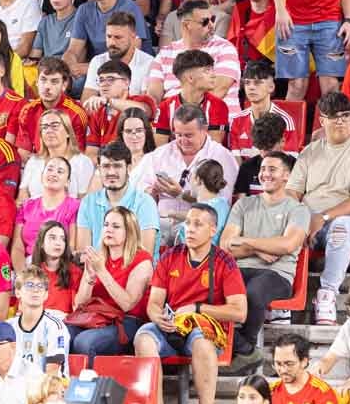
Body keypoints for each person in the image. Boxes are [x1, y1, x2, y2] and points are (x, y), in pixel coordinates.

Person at [134, 204, 247, 404]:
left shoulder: (224, 261)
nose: (190, 229)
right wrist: (159, 318)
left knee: (201, 341)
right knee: (143, 336)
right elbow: (154, 303)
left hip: (205, 327)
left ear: (213, 230)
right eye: (187, 223)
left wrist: (198, 308)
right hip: (172, 326)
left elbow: (239, 312)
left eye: (198, 224)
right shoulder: (170, 256)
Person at [286, 92, 350, 324]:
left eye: (346, 116)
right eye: (334, 117)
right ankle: (280, 294)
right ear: (322, 120)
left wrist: (323, 217)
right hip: (311, 219)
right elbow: (292, 192)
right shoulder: (309, 152)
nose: (340, 122)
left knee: (340, 227)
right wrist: (298, 217)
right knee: (281, 220)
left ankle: (327, 294)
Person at [220, 150, 309, 354]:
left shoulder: (298, 209)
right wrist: (259, 249)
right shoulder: (244, 204)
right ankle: (239, 348)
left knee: (252, 293)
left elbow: (287, 245)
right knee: (206, 286)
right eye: (262, 169)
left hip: (276, 274)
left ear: (287, 175)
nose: (265, 174)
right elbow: (225, 245)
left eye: (272, 169)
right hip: (238, 269)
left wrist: (245, 241)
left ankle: (246, 348)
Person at [131, 104, 237, 243]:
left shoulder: (222, 157)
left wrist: (181, 195)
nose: (182, 140)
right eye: (178, 134)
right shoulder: (160, 154)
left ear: (204, 129)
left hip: (199, 232)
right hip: (159, 225)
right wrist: (151, 192)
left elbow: (218, 205)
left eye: (189, 135)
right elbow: (135, 189)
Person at [66, 206, 151, 361]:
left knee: (85, 342)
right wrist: (90, 278)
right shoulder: (98, 257)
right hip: (95, 317)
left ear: (129, 232)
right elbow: (78, 305)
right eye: (106, 225)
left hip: (126, 321)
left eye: (116, 226)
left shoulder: (142, 260)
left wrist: (102, 272)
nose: (108, 230)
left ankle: (91, 384)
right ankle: (59, 383)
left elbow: (128, 304)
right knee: (61, 334)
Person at [64, 0, 151, 82]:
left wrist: (90, 68)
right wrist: (69, 65)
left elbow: (130, 55)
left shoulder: (130, 8)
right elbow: (73, 50)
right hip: (97, 69)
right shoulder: (84, 10)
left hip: (131, 72)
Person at [75, 142, 159, 256]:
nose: (111, 172)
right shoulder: (88, 202)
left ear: (128, 168)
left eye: (117, 166)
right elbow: (84, 252)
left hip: (134, 270)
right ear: (99, 169)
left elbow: (145, 255)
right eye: (106, 166)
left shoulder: (145, 202)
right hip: (95, 269)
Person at [18, 109, 94, 200]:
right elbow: (22, 196)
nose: (49, 131)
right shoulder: (34, 161)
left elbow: (84, 201)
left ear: (68, 132)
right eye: (44, 127)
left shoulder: (82, 162)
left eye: (55, 126)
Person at [83, 11, 154, 101]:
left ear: (133, 36)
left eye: (118, 37)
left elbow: (145, 105)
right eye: (109, 36)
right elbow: (86, 102)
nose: (112, 42)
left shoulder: (149, 63)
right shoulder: (97, 61)